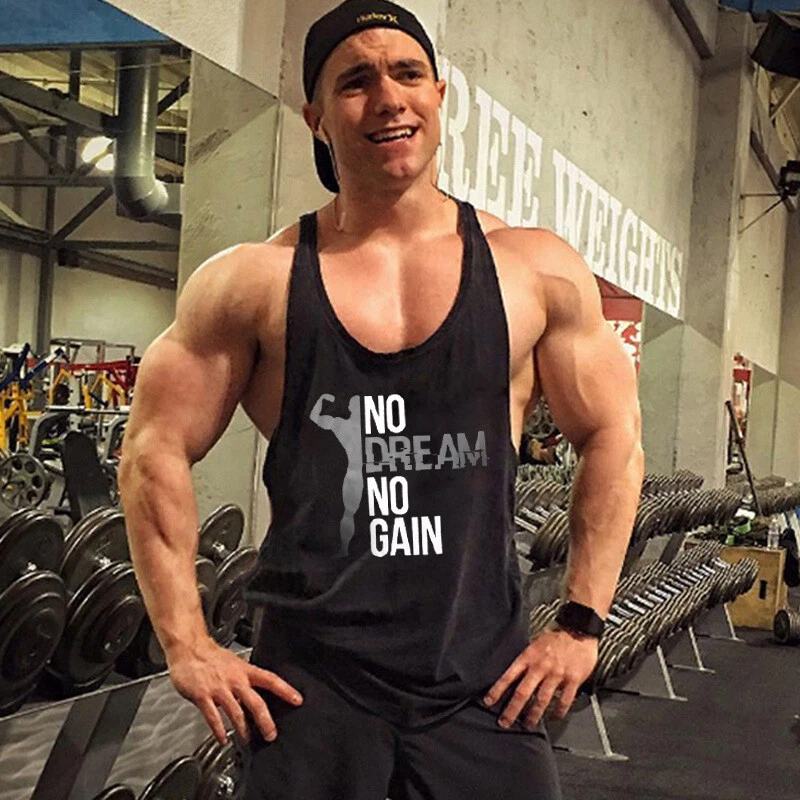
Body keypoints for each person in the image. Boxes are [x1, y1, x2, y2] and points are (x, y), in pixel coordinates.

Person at [118, 1, 644, 798]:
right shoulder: (254, 282)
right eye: (355, 81)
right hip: (309, 690)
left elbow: (615, 433)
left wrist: (581, 622)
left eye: (407, 74)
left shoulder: (532, 270)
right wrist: (185, 642)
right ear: (316, 118)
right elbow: (152, 447)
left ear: (439, 94)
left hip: (482, 683)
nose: (389, 99)